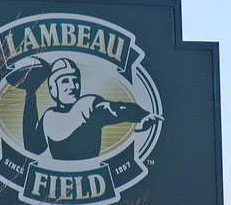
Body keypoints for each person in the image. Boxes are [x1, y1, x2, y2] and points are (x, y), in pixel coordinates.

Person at [21, 57, 162, 160]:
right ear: (53, 88)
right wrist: (30, 92)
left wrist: (140, 115)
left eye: (75, 80)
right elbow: (32, 148)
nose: (72, 86)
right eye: (65, 81)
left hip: (89, 176)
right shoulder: (49, 117)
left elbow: (114, 109)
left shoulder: (87, 105)